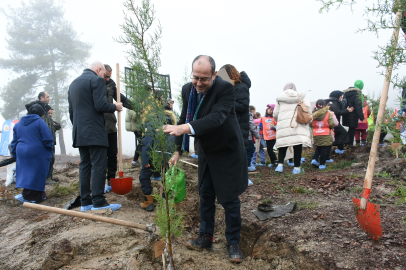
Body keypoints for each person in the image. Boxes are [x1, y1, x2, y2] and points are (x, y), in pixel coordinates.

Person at [164, 55, 246, 263]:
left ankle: (233, 242)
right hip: (207, 150)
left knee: (229, 198)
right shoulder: (187, 89)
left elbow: (217, 117)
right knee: (206, 193)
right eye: (196, 78)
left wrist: (186, 128)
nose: (199, 83)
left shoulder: (225, 89)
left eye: (204, 79)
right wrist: (177, 151)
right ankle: (205, 237)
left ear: (214, 75)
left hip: (227, 149)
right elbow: (183, 118)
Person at [68, 60, 123, 211]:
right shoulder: (96, 80)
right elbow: (100, 105)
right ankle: (98, 201)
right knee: (99, 165)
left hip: (80, 132)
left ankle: (86, 202)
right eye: (104, 74)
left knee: (85, 165)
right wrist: (115, 106)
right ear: (99, 69)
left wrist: (79, 127)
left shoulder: (73, 83)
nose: (104, 77)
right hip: (95, 131)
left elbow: (71, 112)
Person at [138, 97, 177, 211]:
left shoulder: (152, 123)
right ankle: (168, 205)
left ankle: (148, 202)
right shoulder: (172, 125)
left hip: (153, 156)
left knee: (144, 177)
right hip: (168, 157)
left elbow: (147, 141)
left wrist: (145, 160)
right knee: (167, 179)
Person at [11, 104, 53, 203]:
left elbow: (14, 142)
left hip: (21, 151)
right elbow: (48, 139)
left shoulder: (18, 124)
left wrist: (14, 154)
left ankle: (30, 195)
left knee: (26, 174)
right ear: (39, 114)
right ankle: (32, 197)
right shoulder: (40, 122)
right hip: (37, 152)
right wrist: (49, 149)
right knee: (37, 174)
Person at [102, 64, 133, 193]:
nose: (108, 79)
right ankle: (99, 182)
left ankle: (111, 180)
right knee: (100, 156)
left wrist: (137, 107)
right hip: (99, 127)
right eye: (105, 76)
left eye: (109, 76)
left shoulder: (111, 85)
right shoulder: (94, 84)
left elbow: (122, 99)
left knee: (112, 154)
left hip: (111, 126)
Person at [274, 82, 312, 174]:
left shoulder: (280, 99)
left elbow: (275, 114)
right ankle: (296, 168)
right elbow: (308, 108)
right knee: (297, 145)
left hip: (284, 125)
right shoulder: (301, 96)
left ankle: (280, 166)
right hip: (297, 124)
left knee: (283, 145)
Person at [220, 64, 251, 149]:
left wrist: (226, 102)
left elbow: (243, 106)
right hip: (232, 127)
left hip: (239, 127)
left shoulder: (241, 87)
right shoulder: (231, 88)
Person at [310, 100, 335, 169]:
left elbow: (310, 124)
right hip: (326, 133)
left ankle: (314, 159)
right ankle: (322, 164)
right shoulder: (327, 114)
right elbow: (332, 124)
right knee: (324, 149)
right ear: (324, 106)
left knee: (318, 147)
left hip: (316, 134)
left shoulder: (313, 114)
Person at [342, 80, 365, 147]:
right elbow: (358, 105)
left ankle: (347, 143)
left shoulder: (346, 92)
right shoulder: (357, 92)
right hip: (353, 113)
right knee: (352, 129)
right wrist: (361, 116)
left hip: (347, 112)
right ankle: (350, 145)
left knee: (350, 129)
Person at [47, 108, 61, 180]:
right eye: (49, 113)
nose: (50, 115)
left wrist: (54, 126)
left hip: (52, 143)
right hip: (47, 144)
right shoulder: (44, 121)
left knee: (52, 160)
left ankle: (50, 177)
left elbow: (58, 125)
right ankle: (48, 177)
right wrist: (53, 126)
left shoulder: (51, 121)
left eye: (51, 113)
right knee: (49, 160)